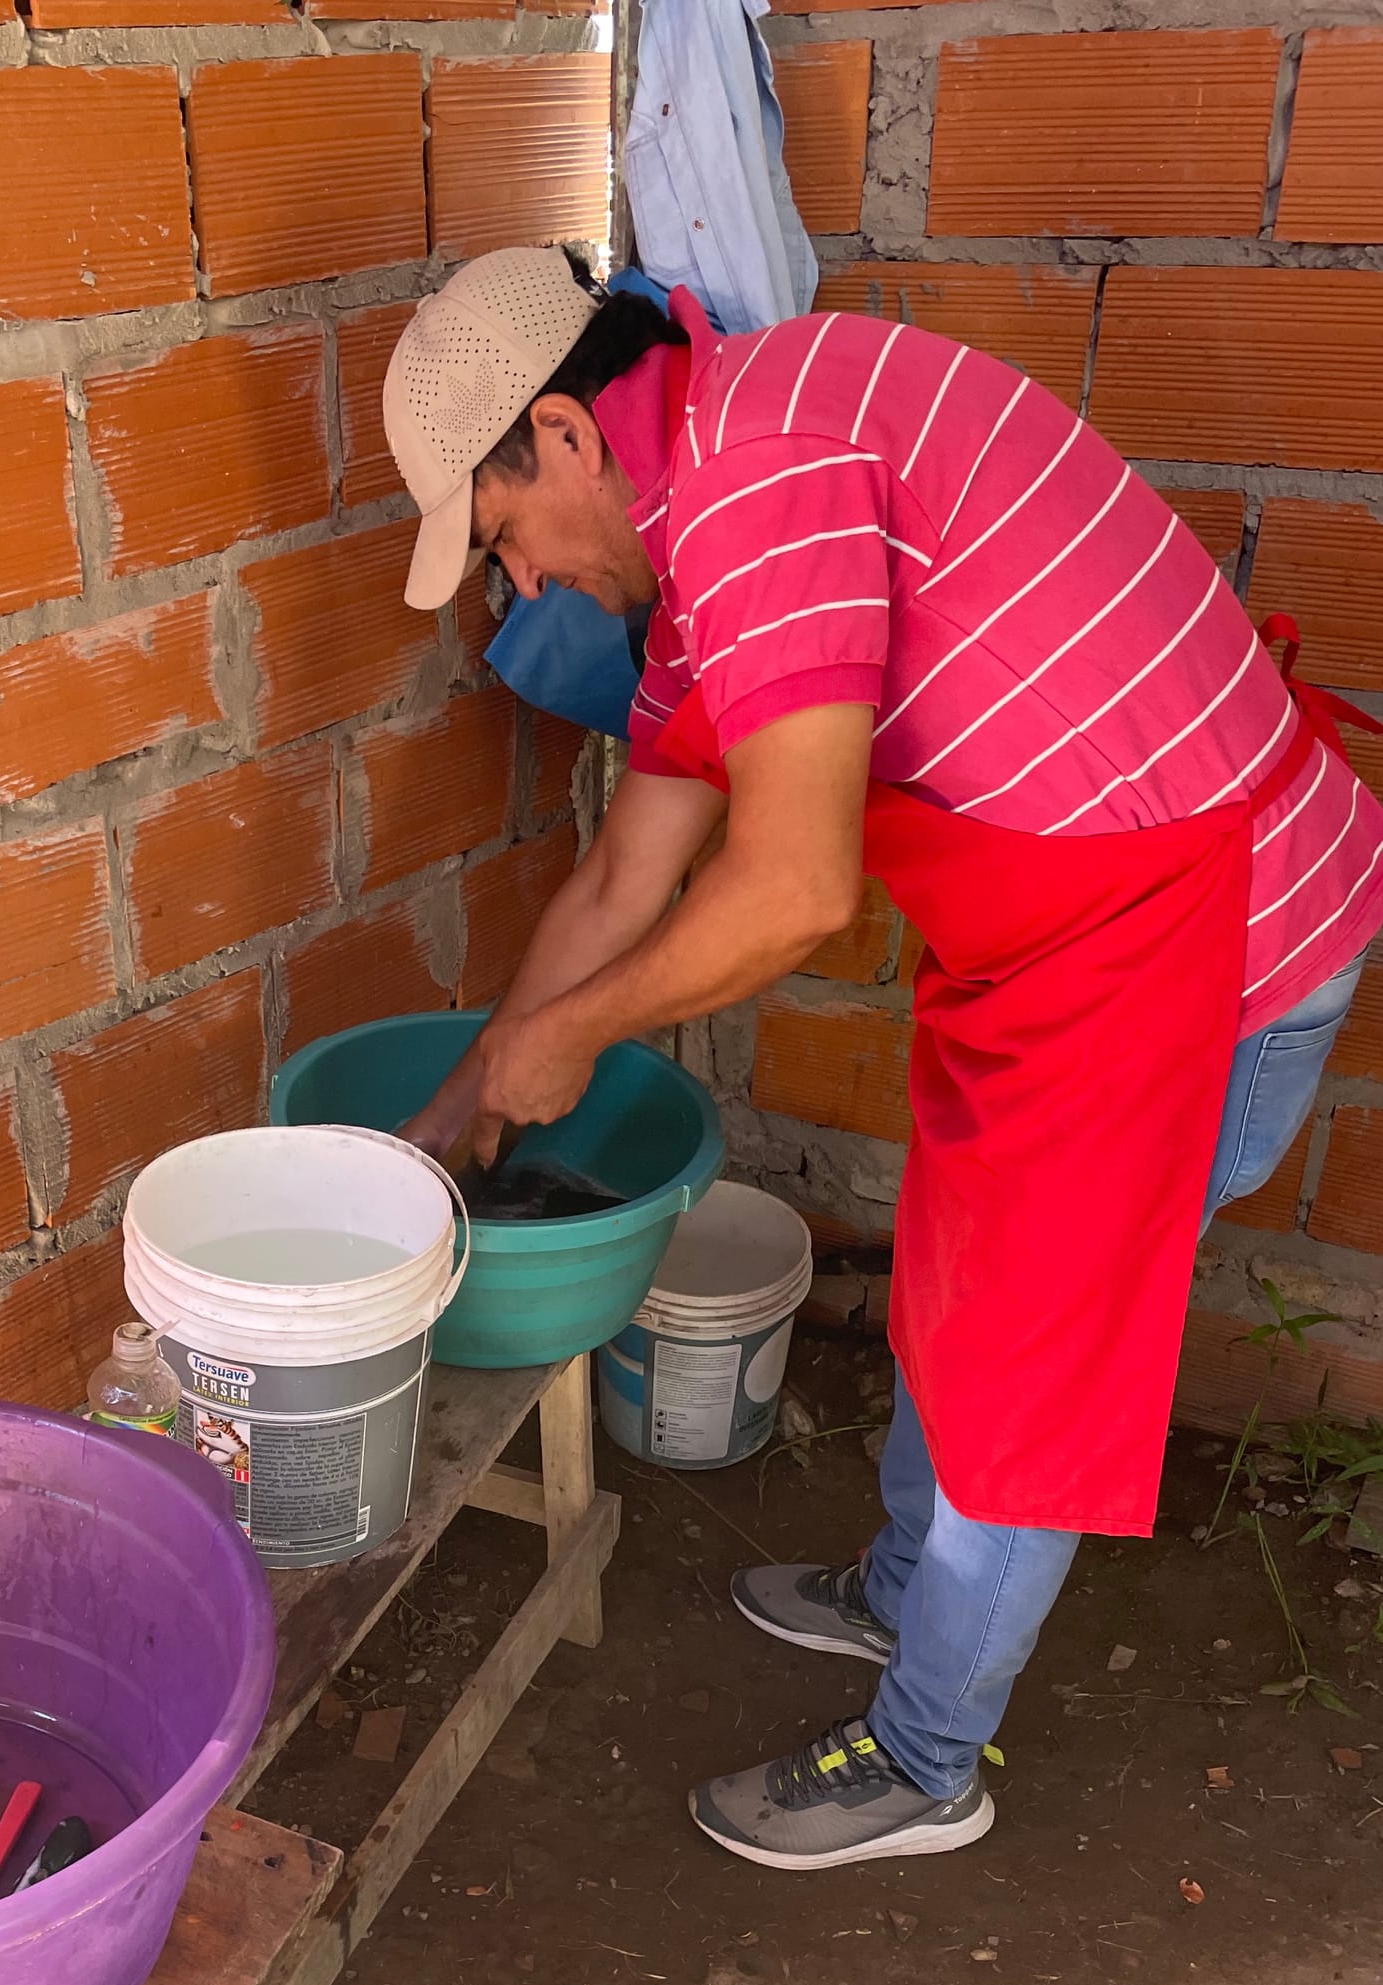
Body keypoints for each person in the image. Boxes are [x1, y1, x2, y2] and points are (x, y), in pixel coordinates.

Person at [381, 245, 1383, 1874]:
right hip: (1071, 946)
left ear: (564, 434)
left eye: (508, 544)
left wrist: (570, 1037)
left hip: (1210, 956)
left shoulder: (757, 481)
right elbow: (622, 879)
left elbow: (792, 885)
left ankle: (928, 1758)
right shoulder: (708, 504)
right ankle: (906, 1596)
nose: (535, 591)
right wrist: (456, 1110)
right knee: (957, 1282)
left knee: (1022, 1374)